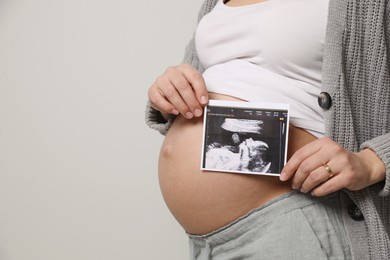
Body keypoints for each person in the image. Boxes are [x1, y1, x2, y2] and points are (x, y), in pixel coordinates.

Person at [145, 0, 390, 259]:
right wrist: (170, 94)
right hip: (207, 243)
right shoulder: (213, 4)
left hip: (294, 220)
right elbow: (202, 85)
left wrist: (372, 163)